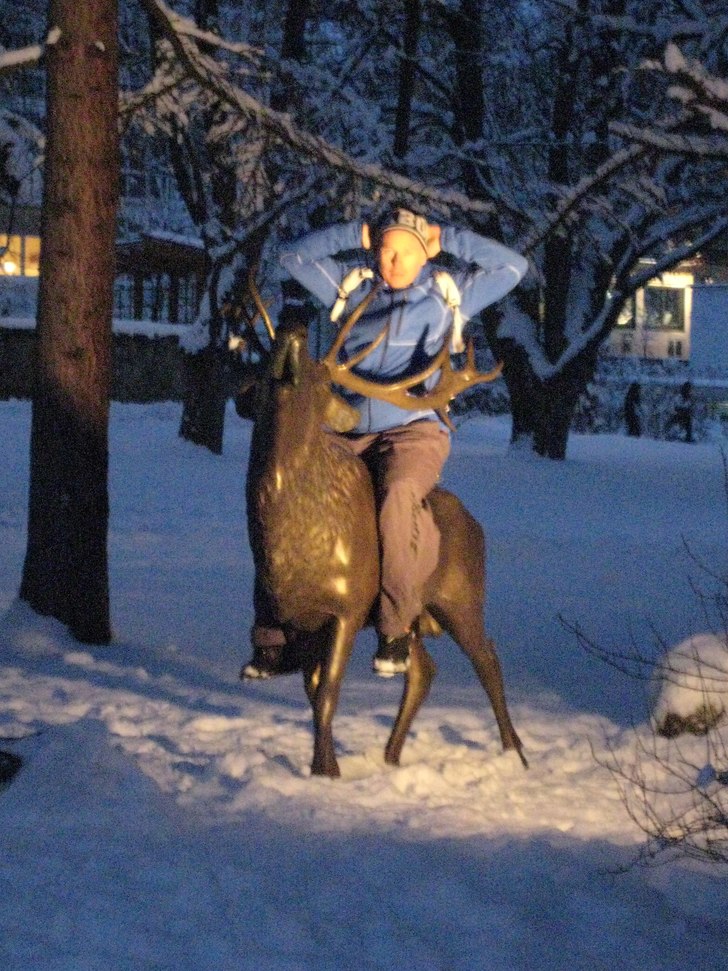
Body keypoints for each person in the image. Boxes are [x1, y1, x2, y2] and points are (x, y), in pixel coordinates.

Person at [242, 205, 528, 679]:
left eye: (405, 252)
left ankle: (395, 628)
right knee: (281, 489)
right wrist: (355, 231)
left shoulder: (445, 295)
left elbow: (512, 268)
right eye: (385, 249)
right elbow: (291, 259)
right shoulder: (351, 287)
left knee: (397, 499)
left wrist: (448, 239)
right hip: (348, 426)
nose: (392, 261)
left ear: (424, 255)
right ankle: (273, 637)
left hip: (414, 430)